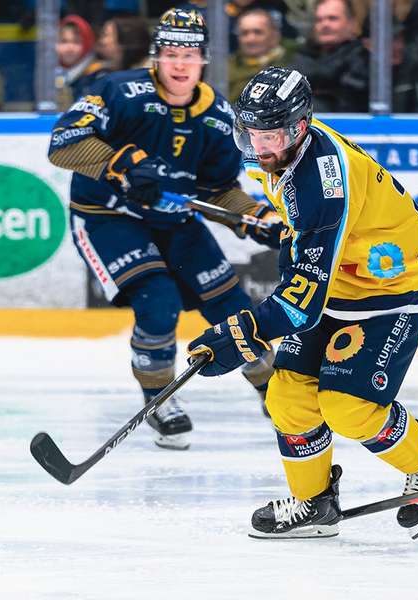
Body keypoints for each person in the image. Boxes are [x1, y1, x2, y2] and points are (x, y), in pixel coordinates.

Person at [186, 66, 418, 539]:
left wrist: (241, 335)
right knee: (288, 397)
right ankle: (314, 504)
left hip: (388, 291)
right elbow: (308, 248)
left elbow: (300, 305)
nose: (259, 145)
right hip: (339, 280)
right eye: (251, 133)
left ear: (300, 126)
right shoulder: (284, 152)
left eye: (269, 135)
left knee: (348, 407)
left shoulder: (319, 179)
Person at [47, 9, 284, 450]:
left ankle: (279, 395)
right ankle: (158, 398)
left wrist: (257, 217)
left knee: (234, 309)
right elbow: (63, 143)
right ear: (156, 57)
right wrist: (121, 165)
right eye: (171, 53)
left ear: (204, 60)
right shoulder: (119, 91)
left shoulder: (217, 115)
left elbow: (217, 191)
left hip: (174, 221)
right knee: (158, 301)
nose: (179, 64)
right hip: (108, 217)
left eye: (189, 54)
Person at [290, 0, 370, 112]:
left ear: (351, 23)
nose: (325, 24)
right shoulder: (304, 54)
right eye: (319, 20)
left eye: (332, 18)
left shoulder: (363, 56)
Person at [228, 7, 297, 100]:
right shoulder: (226, 67)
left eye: (258, 32)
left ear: (274, 36)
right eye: (244, 33)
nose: (250, 39)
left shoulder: (293, 61)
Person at [55, 15, 110, 111]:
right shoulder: (50, 74)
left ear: (88, 44)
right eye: (64, 41)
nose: (69, 48)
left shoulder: (99, 75)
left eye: (76, 42)